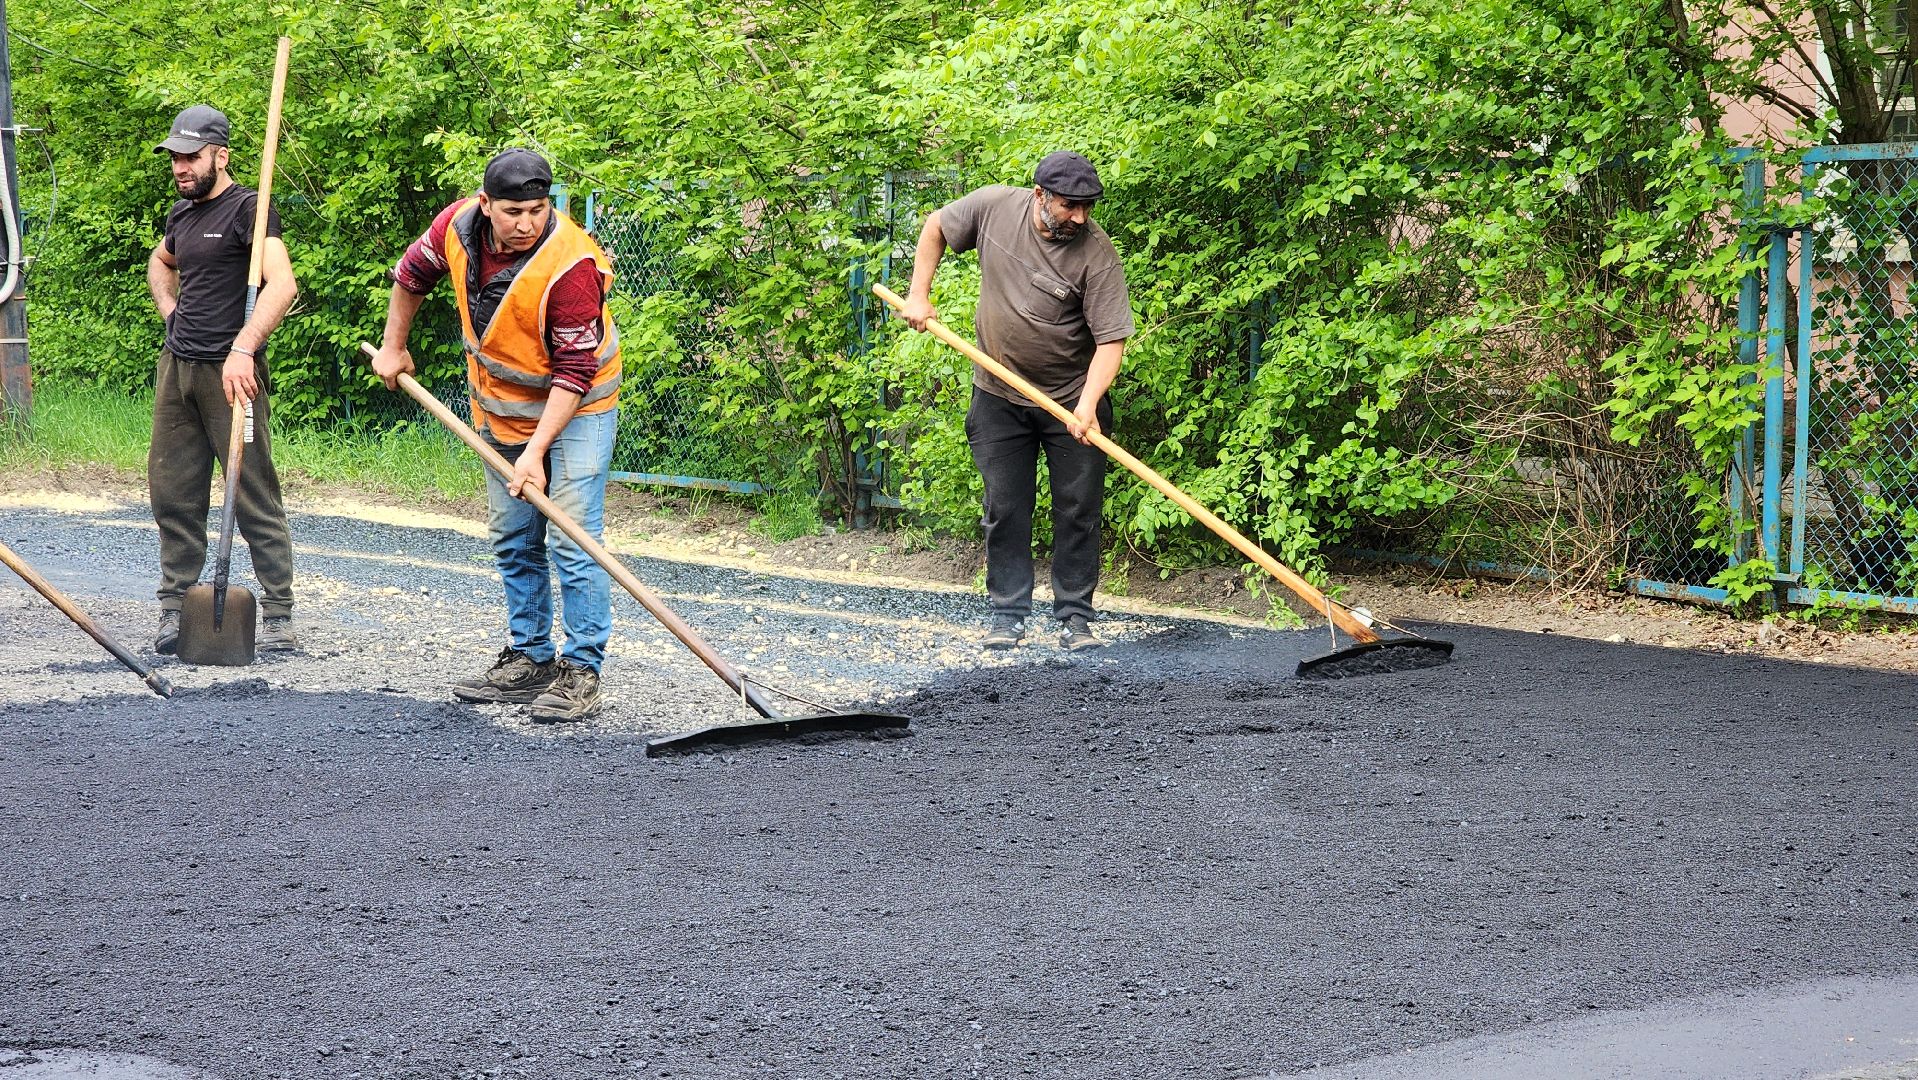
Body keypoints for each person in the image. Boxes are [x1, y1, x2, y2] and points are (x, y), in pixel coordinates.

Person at [370, 149, 622, 723]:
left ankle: (581, 670)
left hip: (578, 407)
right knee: (513, 537)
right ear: (486, 205)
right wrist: (393, 346)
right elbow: (411, 277)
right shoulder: (457, 228)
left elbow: (575, 374)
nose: (527, 223)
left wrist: (535, 455)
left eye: (537, 209)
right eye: (513, 211)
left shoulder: (570, 266)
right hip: (503, 411)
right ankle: (530, 658)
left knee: (573, 536)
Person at [900, 151, 1134, 652]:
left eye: (1087, 207)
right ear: (1040, 196)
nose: (1080, 217)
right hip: (998, 394)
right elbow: (936, 225)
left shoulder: (1096, 253)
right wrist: (919, 295)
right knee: (1006, 506)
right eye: (1070, 205)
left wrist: (1089, 403)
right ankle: (1008, 614)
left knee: (1078, 508)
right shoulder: (992, 208)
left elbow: (1111, 342)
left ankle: (1075, 616)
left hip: (1073, 399)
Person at [146, 105, 300, 654]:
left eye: (192, 156)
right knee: (172, 491)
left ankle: (278, 616)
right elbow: (160, 263)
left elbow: (282, 287)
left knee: (253, 492)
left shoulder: (250, 212)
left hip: (232, 376)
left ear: (220, 155)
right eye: (176, 158)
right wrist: (171, 314)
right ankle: (174, 610)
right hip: (178, 369)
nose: (181, 167)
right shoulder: (180, 217)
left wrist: (243, 347)